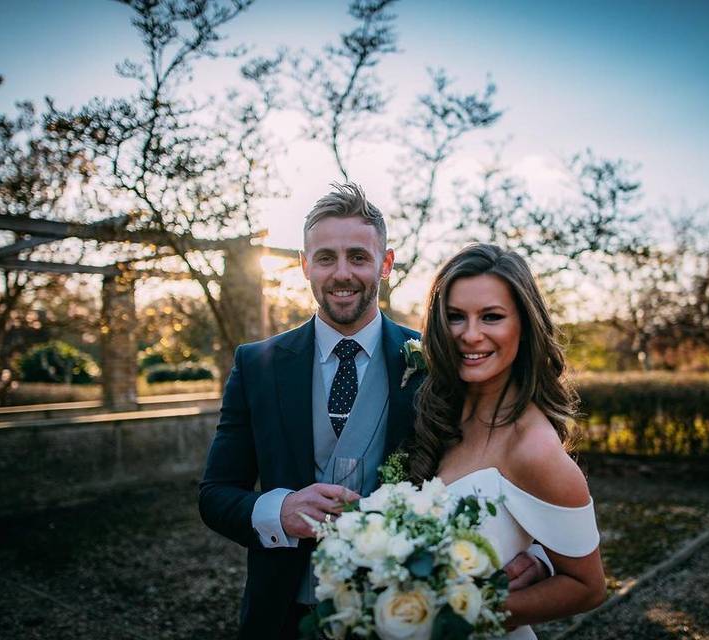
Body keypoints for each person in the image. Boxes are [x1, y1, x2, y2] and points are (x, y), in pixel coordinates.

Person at [199, 186, 545, 639]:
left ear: (385, 263)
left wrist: (537, 554)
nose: (342, 273)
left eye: (358, 257)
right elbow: (215, 494)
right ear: (305, 265)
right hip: (282, 615)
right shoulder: (256, 364)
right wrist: (278, 511)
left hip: (407, 613)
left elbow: (501, 461)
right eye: (325, 258)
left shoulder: (439, 361)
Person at [406, 243, 606, 638]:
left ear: (524, 326)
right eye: (455, 317)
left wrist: (461, 613)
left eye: (492, 317)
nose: (471, 334)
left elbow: (588, 586)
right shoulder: (438, 412)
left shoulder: (534, 450)